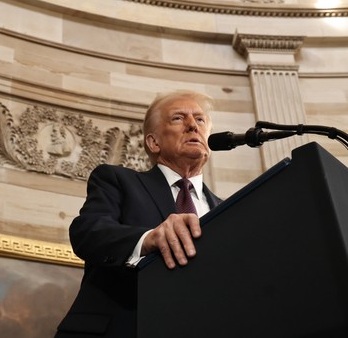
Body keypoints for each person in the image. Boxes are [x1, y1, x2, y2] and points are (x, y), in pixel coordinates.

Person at [55, 90, 223, 337]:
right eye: (178, 118)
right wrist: (148, 239)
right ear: (153, 142)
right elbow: (88, 233)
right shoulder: (117, 180)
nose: (192, 126)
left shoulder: (227, 210)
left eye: (200, 120)